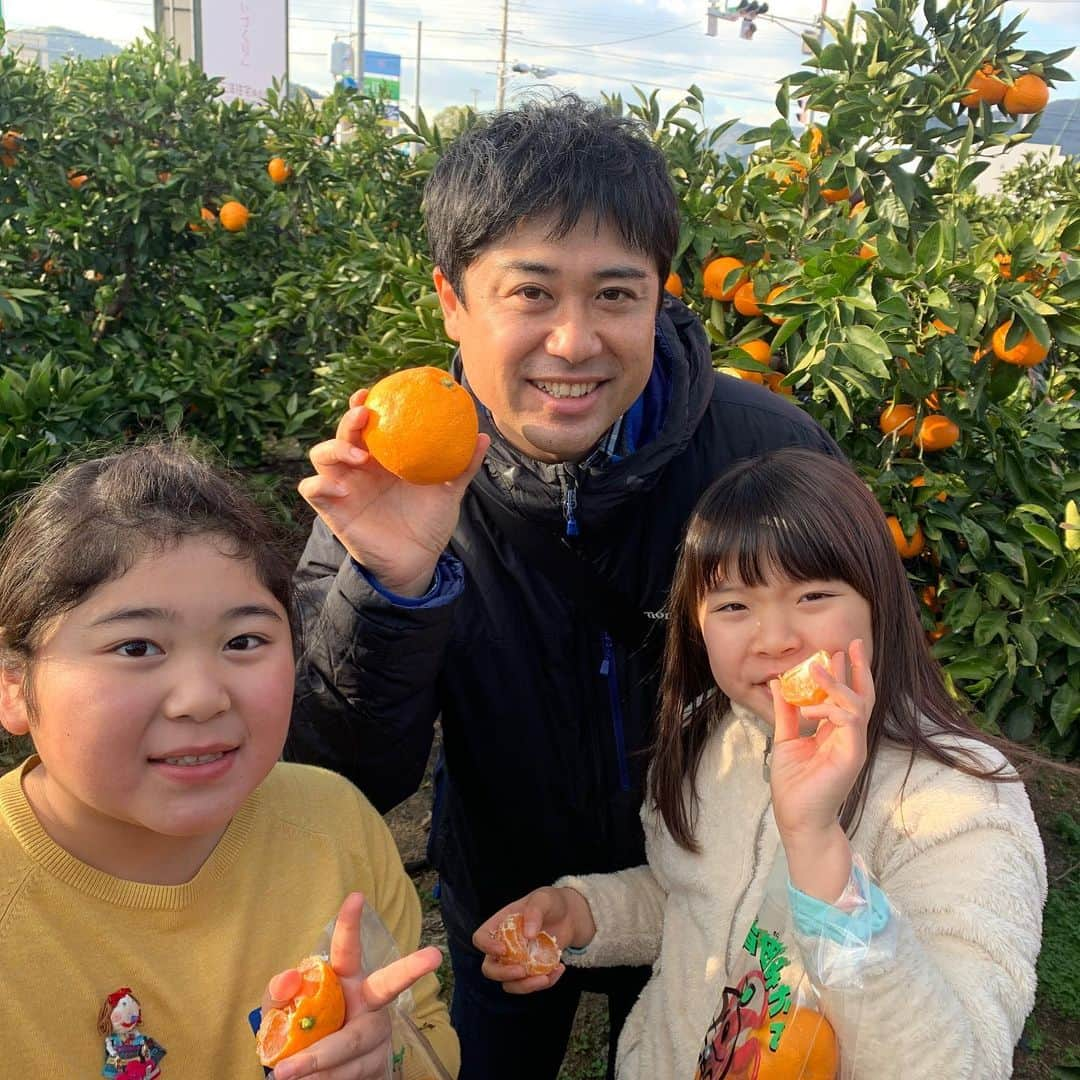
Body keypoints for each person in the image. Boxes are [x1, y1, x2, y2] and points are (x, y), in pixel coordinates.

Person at [288, 95, 840, 1079]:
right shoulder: (389, 482)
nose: (576, 342)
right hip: (503, 891)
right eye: (531, 294)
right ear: (453, 301)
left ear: (663, 294)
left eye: (616, 295)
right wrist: (389, 587)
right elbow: (342, 777)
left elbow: (853, 692)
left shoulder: (768, 460)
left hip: (703, 892)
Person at [473, 447, 1047, 1080]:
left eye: (813, 595)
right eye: (733, 606)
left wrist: (816, 848)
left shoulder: (958, 802)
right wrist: (584, 913)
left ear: (879, 599)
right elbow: (696, 901)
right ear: (696, 625)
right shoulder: (712, 735)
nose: (774, 638)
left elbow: (955, 1068)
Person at [0, 441, 458, 1080]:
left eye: (244, 641)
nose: (202, 698)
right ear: (15, 687)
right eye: (136, 646)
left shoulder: (335, 826)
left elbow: (427, 1036)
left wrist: (382, 1059)